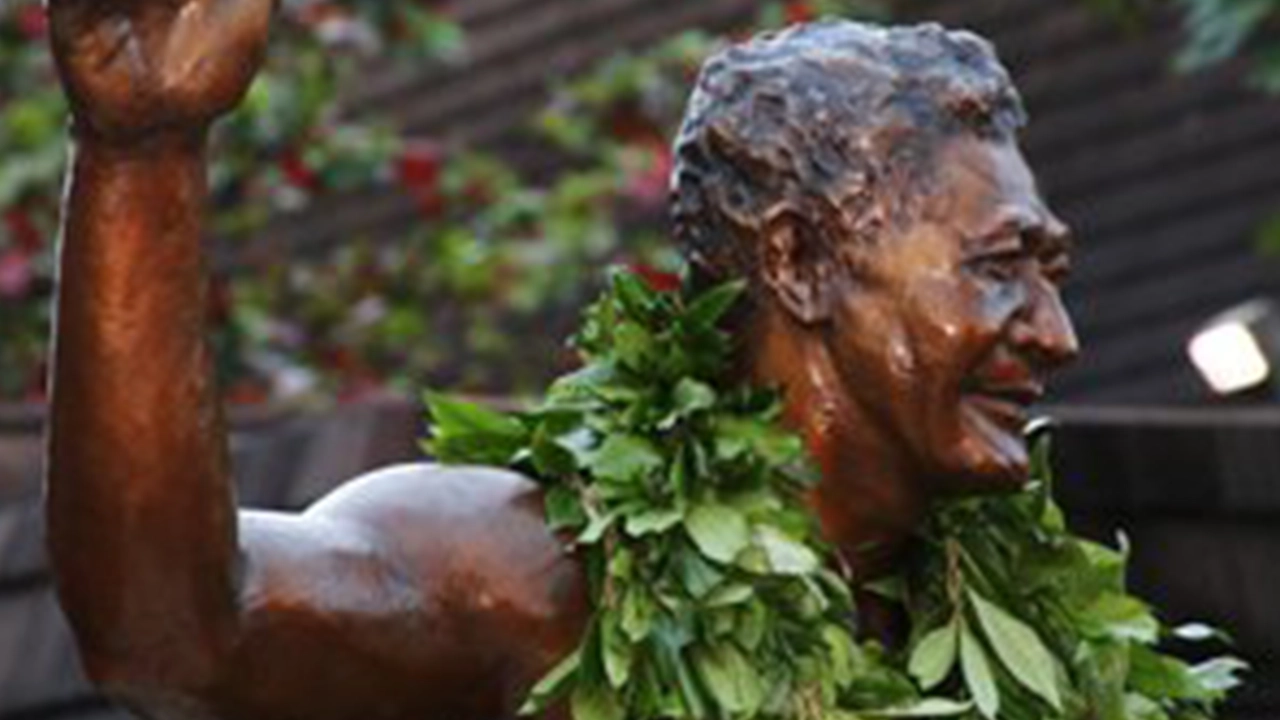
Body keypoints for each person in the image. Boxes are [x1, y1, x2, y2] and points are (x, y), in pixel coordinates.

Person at [43, 2, 1077, 719]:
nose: (1053, 333)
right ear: (797, 261)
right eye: (995, 270)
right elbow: (175, 636)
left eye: (1048, 273)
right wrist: (144, 155)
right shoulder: (530, 579)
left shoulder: (1021, 630)